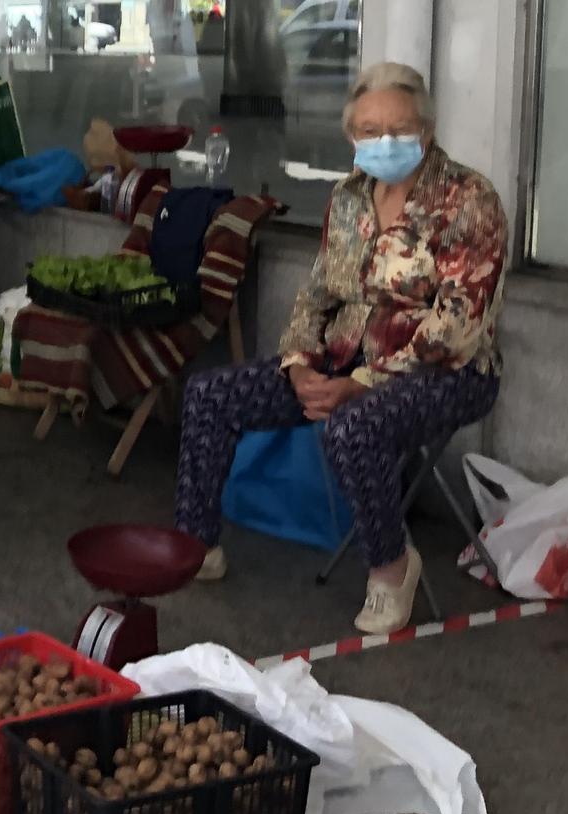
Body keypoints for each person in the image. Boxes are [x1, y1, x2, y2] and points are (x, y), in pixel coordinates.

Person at [173, 63, 507, 635]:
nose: (385, 142)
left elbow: (456, 325)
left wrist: (364, 383)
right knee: (211, 394)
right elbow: (317, 294)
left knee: (356, 425)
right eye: (371, 130)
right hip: (341, 359)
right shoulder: (349, 198)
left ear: (425, 131)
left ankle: (391, 568)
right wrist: (298, 362)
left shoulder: (466, 200)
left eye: (400, 129)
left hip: (448, 371)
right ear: (352, 137)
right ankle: (194, 546)